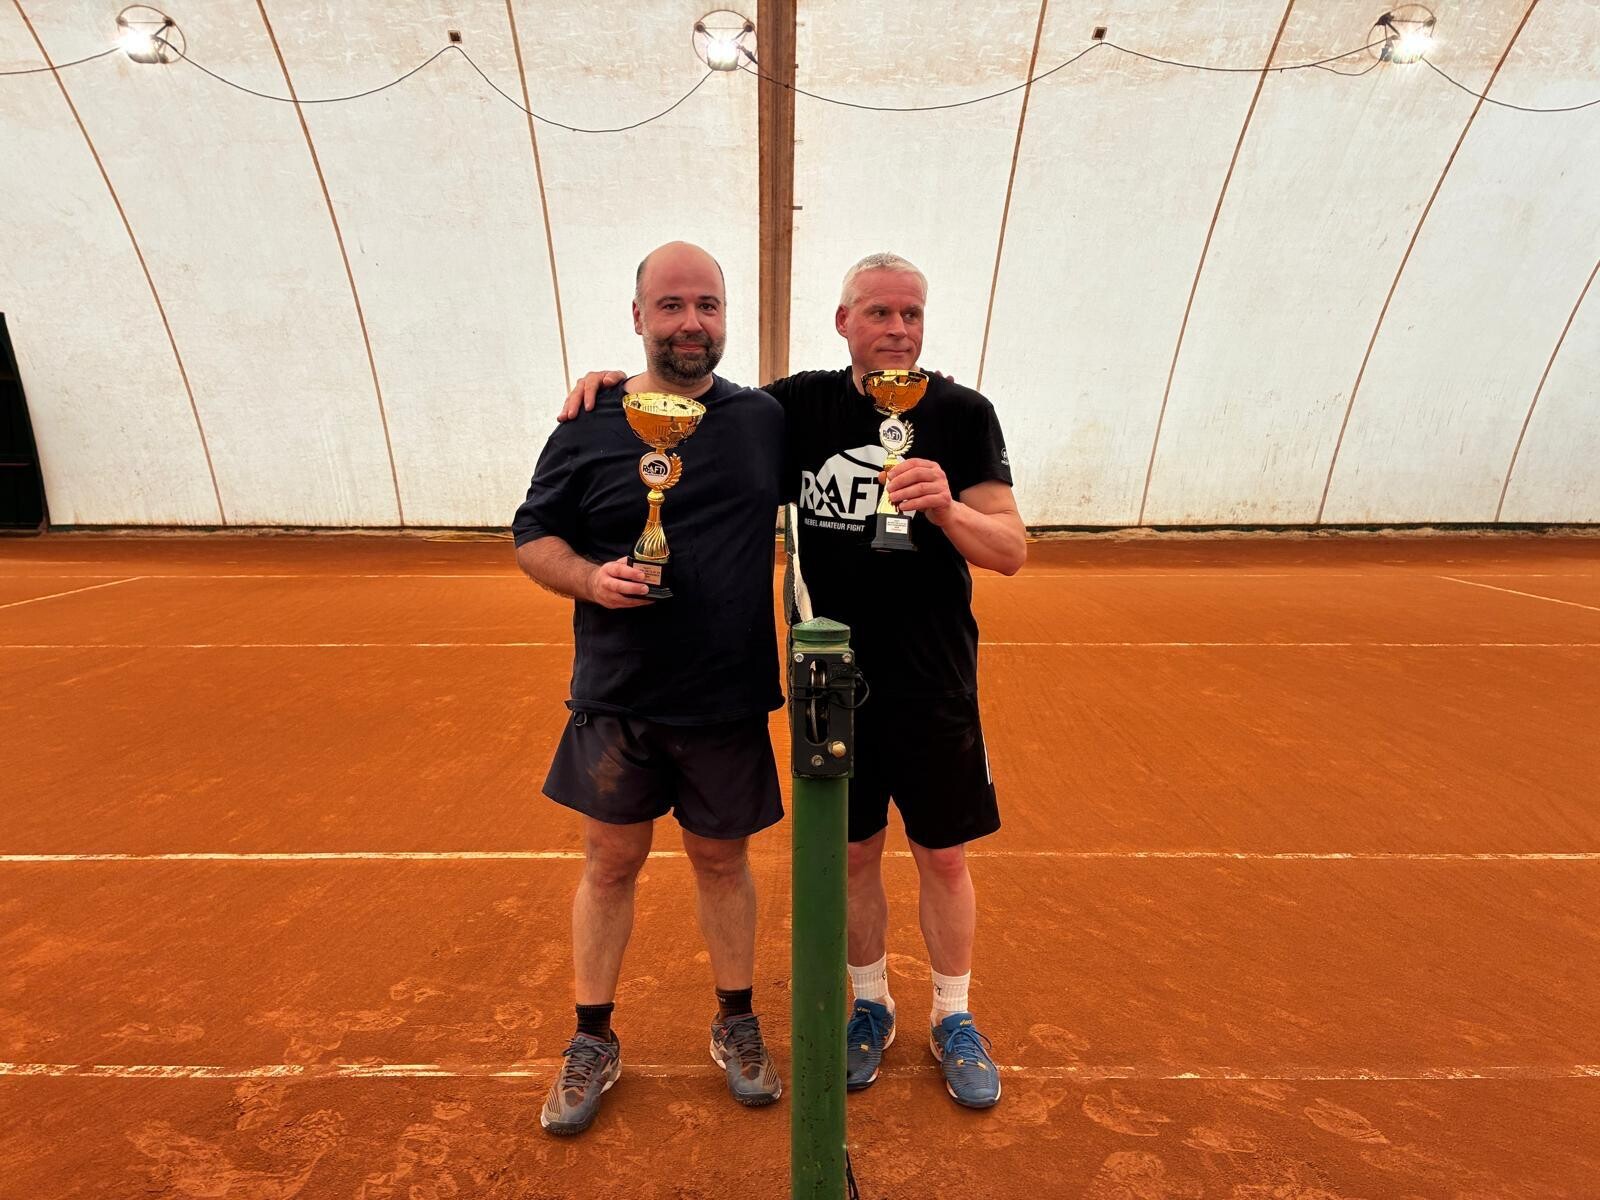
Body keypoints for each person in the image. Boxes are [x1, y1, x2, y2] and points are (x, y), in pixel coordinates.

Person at [561, 251, 1026, 1110]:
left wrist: (949, 507)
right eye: (878, 314)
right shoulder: (791, 408)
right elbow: (691, 398)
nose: (896, 331)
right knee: (851, 858)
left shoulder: (962, 414)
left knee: (945, 858)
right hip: (831, 684)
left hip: (934, 684)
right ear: (842, 321)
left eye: (911, 315)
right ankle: (872, 1006)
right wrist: (617, 386)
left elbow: (1012, 552)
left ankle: (954, 1017)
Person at [514, 241, 787, 1137]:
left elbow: (870, 411)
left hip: (725, 696)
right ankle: (593, 1036)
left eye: (706, 305)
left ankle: (736, 1021)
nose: (690, 323)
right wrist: (590, 581)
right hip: (618, 695)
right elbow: (533, 535)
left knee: (721, 862)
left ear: (725, 316)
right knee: (610, 862)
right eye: (670, 306)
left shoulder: (763, 420)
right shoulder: (587, 421)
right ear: (638, 318)